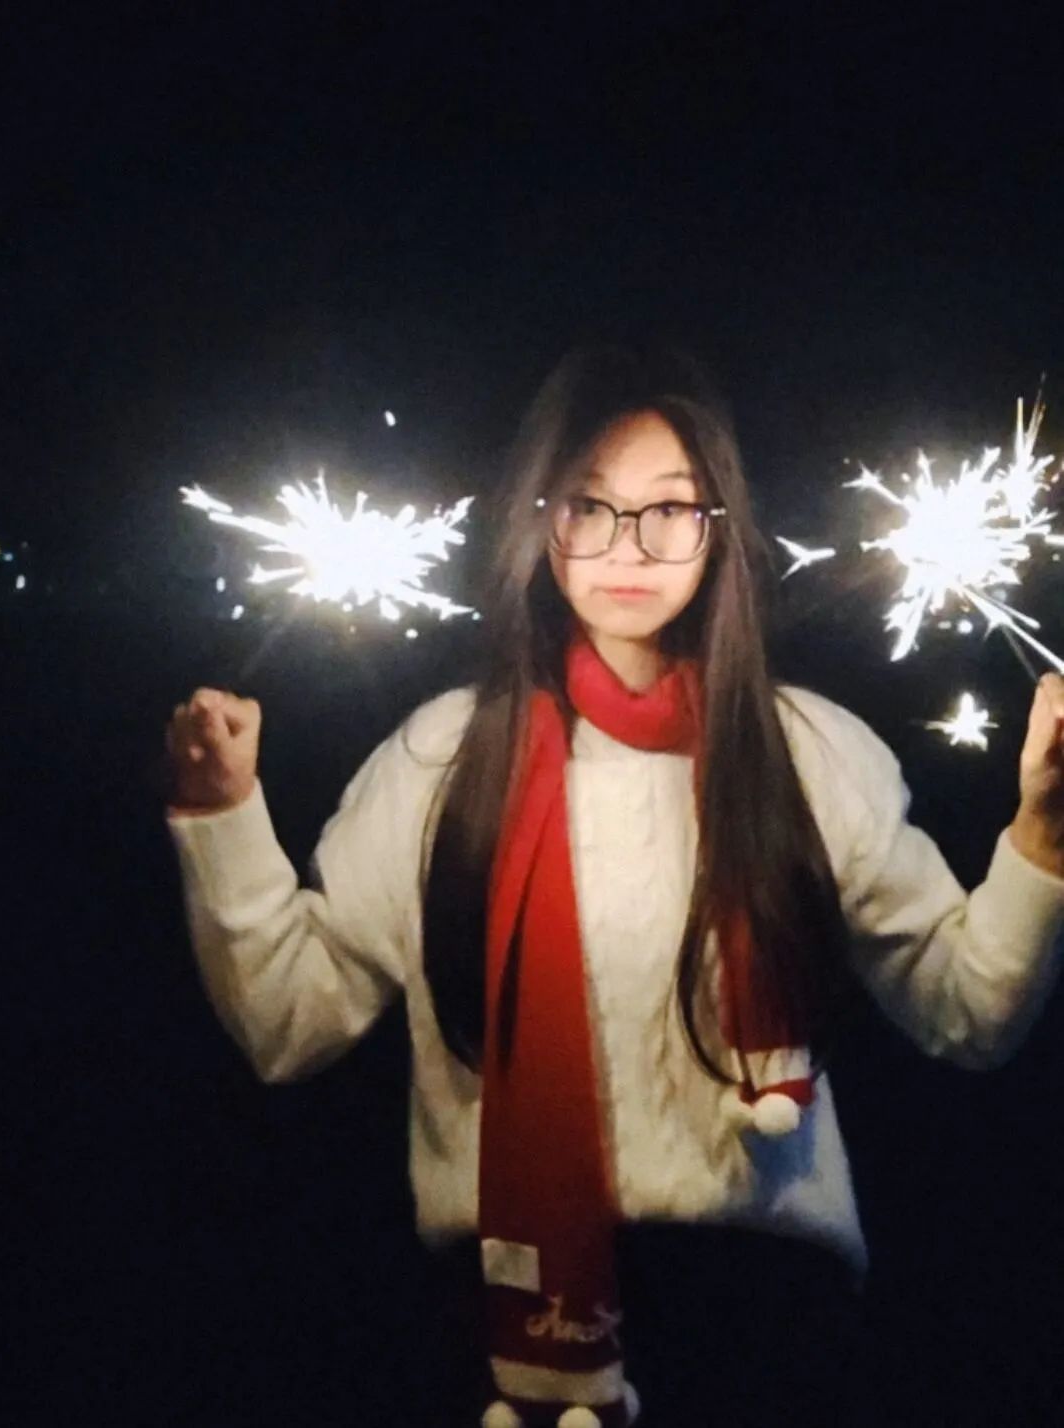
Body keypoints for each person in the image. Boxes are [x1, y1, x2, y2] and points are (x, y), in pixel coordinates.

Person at [165, 344, 1064, 1428]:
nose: (627, 546)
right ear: (538, 522)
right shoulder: (443, 758)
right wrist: (223, 813)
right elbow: (287, 1021)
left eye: (668, 509)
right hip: (506, 1320)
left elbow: (967, 1010)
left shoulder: (808, 751)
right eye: (588, 507)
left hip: (767, 1317)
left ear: (718, 526)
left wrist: (1042, 833)